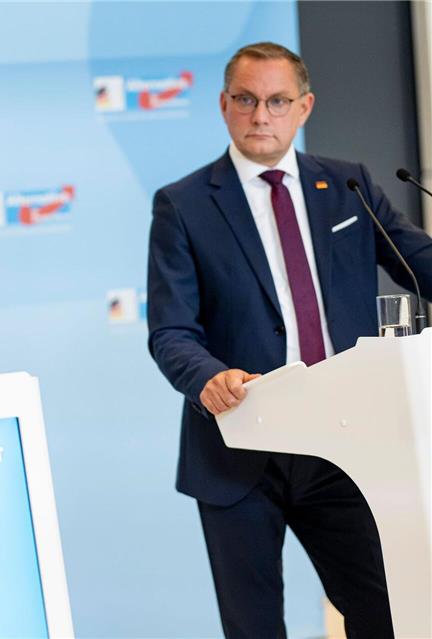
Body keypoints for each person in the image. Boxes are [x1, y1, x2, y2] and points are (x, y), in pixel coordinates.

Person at [147, 42, 432, 638]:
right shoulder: (184, 204)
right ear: (224, 105)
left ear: (304, 107)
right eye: (246, 100)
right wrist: (207, 378)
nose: (261, 116)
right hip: (238, 450)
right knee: (253, 629)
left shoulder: (348, 185)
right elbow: (172, 329)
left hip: (346, 447)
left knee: (387, 615)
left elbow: (419, 261)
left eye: (278, 101)